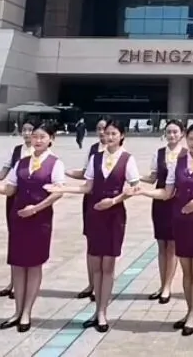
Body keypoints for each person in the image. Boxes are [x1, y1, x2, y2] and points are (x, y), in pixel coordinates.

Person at [0, 122, 65, 333]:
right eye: (35, 136)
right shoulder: (21, 162)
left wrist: (36, 208)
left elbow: (58, 192)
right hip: (19, 218)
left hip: (39, 220)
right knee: (18, 265)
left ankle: (27, 312)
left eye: (42, 137)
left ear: (51, 139)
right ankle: (17, 311)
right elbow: (9, 189)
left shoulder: (55, 163)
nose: (37, 140)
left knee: (34, 265)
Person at [46, 119, 139, 333]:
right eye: (107, 133)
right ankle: (97, 310)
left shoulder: (127, 159)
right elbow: (87, 187)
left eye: (114, 133)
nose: (109, 137)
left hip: (114, 215)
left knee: (108, 266)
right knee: (96, 264)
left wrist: (114, 200)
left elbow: (134, 187)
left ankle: (103, 312)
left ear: (122, 136)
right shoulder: (96, 158)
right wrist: (63, 189)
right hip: (95, 213)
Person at [137, 123, 193, 336]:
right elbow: (167, 192)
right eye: (191, 139)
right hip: (181, 221)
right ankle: (189, 310)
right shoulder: (177, 163)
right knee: (186, 270)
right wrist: (143, 192)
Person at [143, 119, 186, 304]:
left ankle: (168, 286)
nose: (172, 135)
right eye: (169, 132)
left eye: (175, 132)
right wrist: (134, 179)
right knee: (162, 245)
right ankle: (162, 285)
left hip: (178, 202)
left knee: (173, 246)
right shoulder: (159, 153)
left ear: (182, 134)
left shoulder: (186, 154)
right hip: (160, 202)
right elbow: (153, 177)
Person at [66, 119, 106, 302]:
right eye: (99, 129)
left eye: (105, 129)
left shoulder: (120, 154)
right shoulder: (93, 150)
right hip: (91, 199)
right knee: (91, 243)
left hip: (109, 201)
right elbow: (85, 174)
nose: (102, 132)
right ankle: (91, 284)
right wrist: (64, 171)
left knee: (105, 246)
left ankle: (102, 285)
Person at [0, 120, 35, 299]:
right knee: (14, 238)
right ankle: (14, 281)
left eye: (30, 130)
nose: (26, 133)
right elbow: (1, 175)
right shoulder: (16, 151)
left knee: (30, 240)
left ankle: (27, 282)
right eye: (24, 130)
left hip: (32, 201)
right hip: (14, 198)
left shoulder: (40, 153)